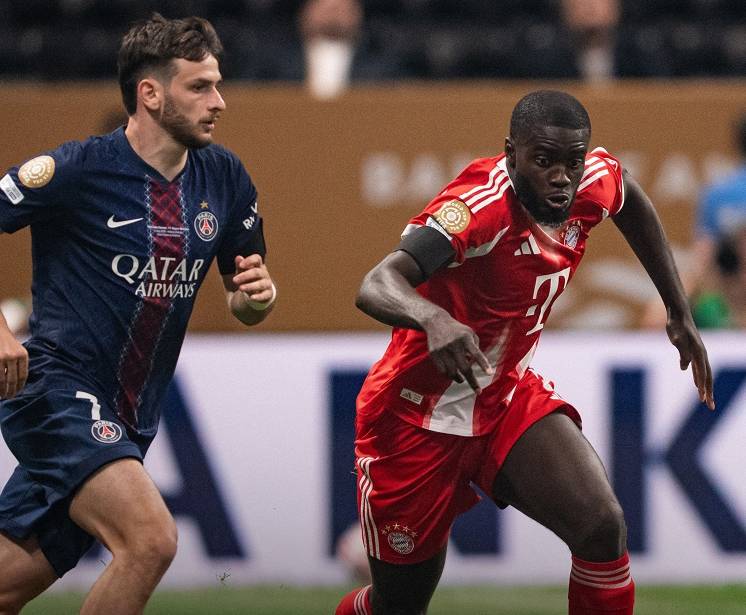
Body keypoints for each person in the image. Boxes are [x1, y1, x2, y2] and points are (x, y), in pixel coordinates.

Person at [335, 90, 714, 615]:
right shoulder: (478, 207)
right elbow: (377, 283)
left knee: (601, 527)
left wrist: (677, 308)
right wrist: (434, 318)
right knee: (398, 605)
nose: (561, 177)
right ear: (511, 154)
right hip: (414, 418)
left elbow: (628, 195)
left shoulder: (589, 179)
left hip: (503, 397)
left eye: (571, 162)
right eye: (543, 161)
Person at [0, 14, 276, 614]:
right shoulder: (79, 169)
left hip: (129, 418)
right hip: (55, 392)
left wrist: (257, 298)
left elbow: (245, 298)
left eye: (217, 84)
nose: (219, 101)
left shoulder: (224, 177)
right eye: (199, 87)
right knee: (150, 540)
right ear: (150, 93)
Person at [642, 113, 746, 328]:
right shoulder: (719, 195)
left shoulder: (718, 193)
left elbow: (701, 258)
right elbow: (703, 258)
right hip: (727, 296)